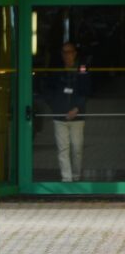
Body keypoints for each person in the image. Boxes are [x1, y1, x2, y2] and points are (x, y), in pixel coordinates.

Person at [46, 42, 91, 182]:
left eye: (69, 52)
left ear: (74, 53)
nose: (67, 55)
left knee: (77, 148)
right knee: (63, 149)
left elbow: (86, 91)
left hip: (77, 117)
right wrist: (55, 107)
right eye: (64, 52)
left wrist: (77, 108)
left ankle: (76, 177)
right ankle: (67, 179)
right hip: (60, 116)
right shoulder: (57, 72)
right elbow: (49, 91)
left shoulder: (81, 70)